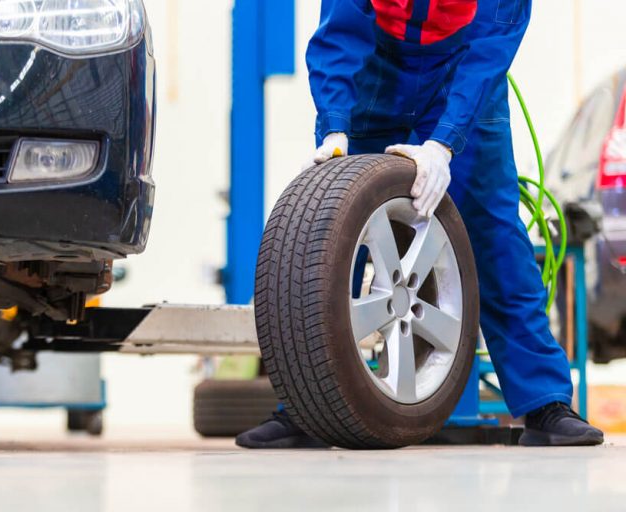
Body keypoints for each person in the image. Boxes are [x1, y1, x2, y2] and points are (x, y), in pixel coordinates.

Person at [236, 0, 604, 449]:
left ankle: (543, 403)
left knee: (495, 240)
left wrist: (445, 143)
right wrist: (334, 125)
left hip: (463, 67)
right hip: (378, 66)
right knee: (328, 232)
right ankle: (304, 406)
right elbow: (340, 30)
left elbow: (491, 45)